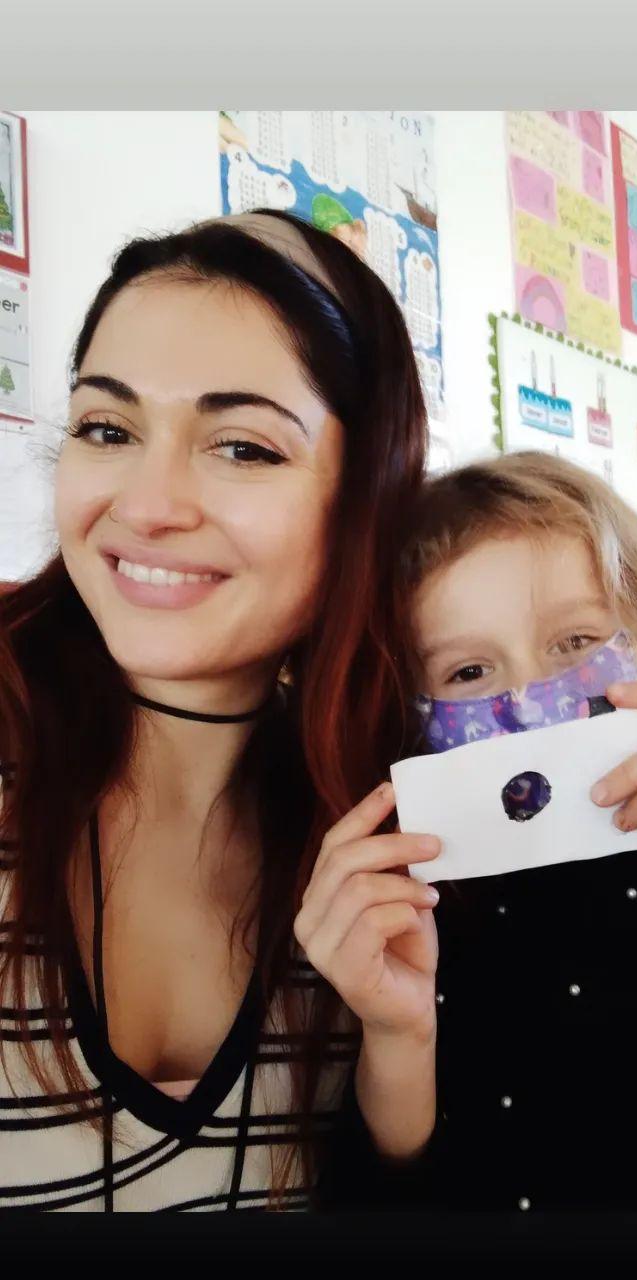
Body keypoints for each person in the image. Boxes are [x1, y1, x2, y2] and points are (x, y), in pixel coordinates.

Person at [0, 208, 434, 1211]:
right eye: (107, 430)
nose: (147, 506)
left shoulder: (395, 825)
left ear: (366, 494)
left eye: (241, 447)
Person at [305, 450, 637, 1212]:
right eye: (468, 674)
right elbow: (382, 1203)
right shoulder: (417, 916)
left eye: (575, 643)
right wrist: (397, 1040)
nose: (531, 702)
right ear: (411, 716)